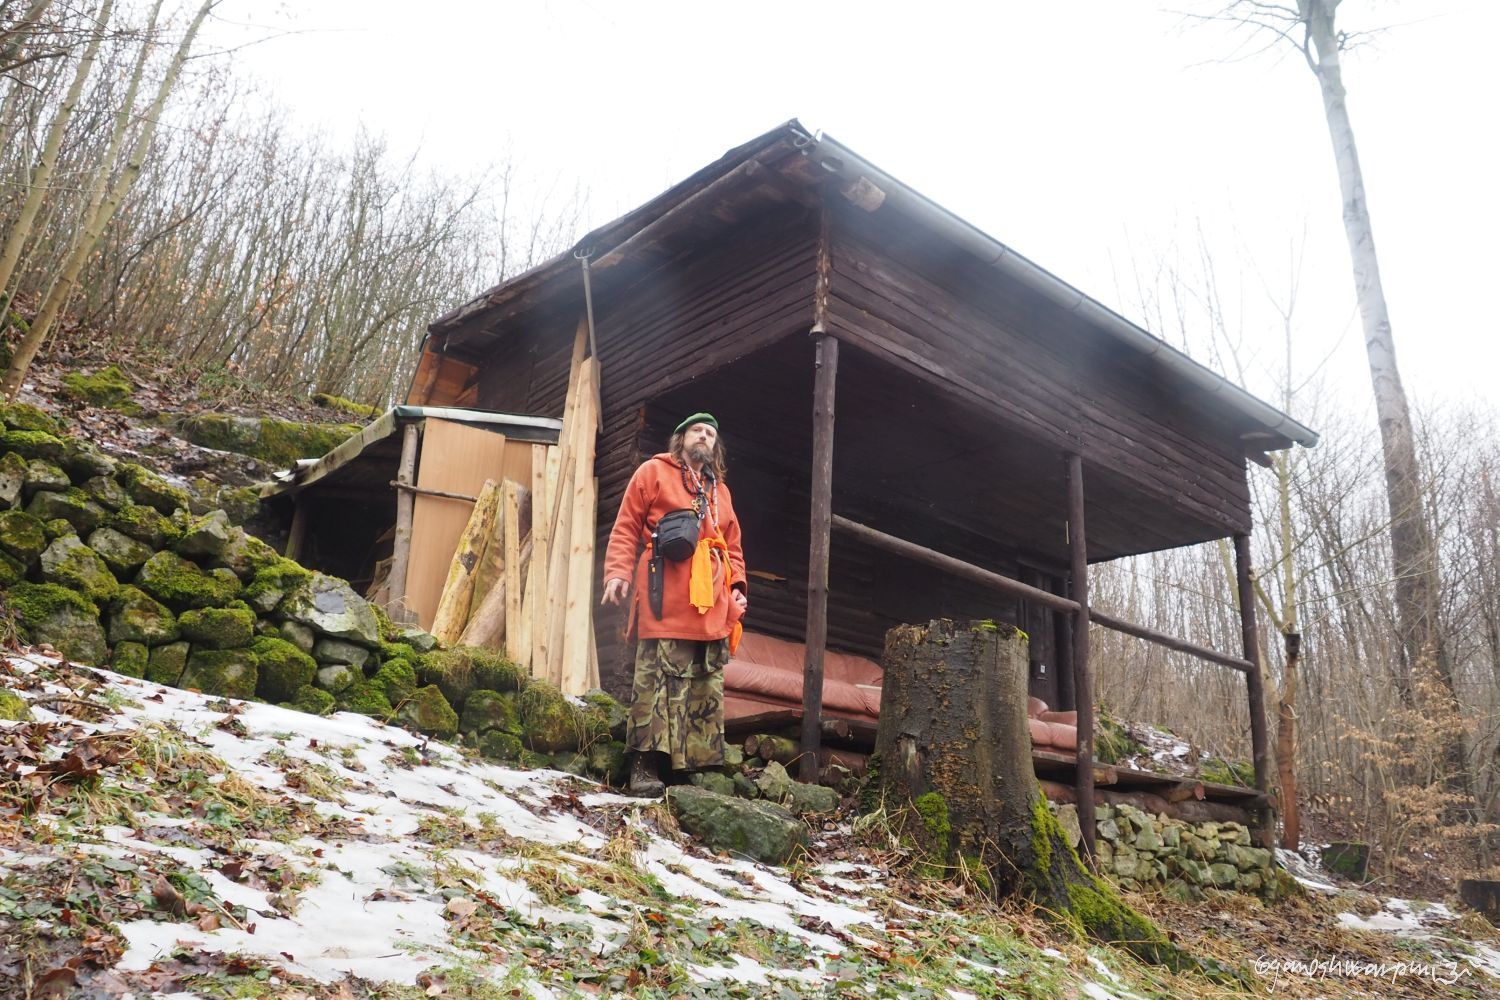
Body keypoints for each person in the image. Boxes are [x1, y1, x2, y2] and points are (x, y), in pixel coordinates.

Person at [602, 412, 748, 796]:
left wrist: (737, 586)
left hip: (711, 600)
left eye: (711, 433)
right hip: (664, 590)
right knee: (656, 678)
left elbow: (733, 547)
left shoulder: (723, 493)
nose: (704, 436)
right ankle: (643, 764)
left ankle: (683, 771)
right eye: (697, 430)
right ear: (680, 437)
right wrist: (617, 572)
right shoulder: (653, 472)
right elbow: (626, 526)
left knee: (703, 679)